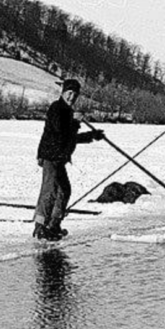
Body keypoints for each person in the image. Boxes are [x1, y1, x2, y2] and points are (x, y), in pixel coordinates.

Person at [33, 78, 105, 240]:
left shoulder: (67, 112)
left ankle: (54, 224)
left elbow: (71, 137)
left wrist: (92, 136)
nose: (72, 97)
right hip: (51, 156)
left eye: (75, 94)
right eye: (69, 93)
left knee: (64, 190)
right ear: (63, 92)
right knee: (49, 191)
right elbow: (61, 132)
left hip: (59, 159)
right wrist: (75, 122)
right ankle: (40, 226)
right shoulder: (57, 108)